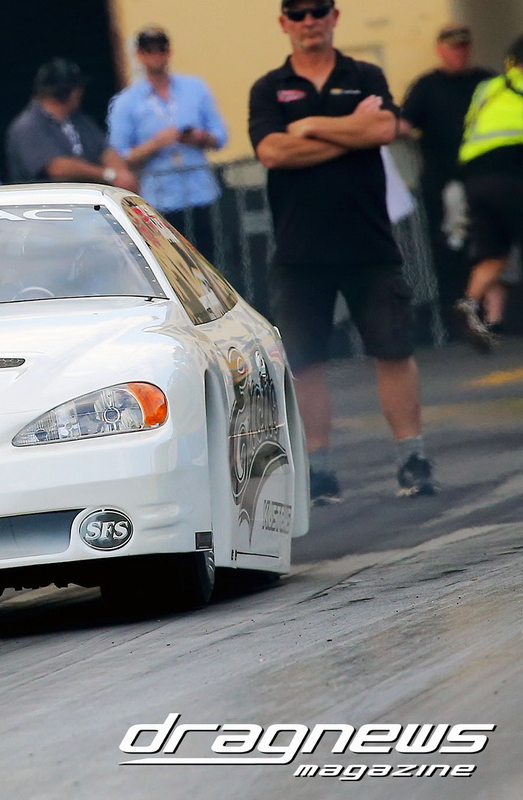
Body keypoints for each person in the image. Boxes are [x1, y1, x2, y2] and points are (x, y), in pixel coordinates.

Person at [249, 0, 437, 503]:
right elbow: (272, 151)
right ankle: (320, 470)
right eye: (298, 13)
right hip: (299, 249)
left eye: (318, 10)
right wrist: (349, 133)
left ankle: (413, 459)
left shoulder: (365, 75)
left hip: (369, 242)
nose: (309, 21)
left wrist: (308, 125)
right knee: (304, 361)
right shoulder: (268, 88)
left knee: (394, 350)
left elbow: (383, 129)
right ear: (284, 23)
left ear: (334, 17)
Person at [400, 25, 496, 338]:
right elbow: (404, 123)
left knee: (491, 246)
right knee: (450, 250)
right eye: (454, 47)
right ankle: (456, 318)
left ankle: (492, 316)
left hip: (485, 178)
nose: (459, 53)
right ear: (440, 50)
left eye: (464, 47)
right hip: (443, 181)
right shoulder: (427, 86)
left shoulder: (487, 81)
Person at [107, 26, 228, 263]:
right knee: (173, 265)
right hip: (160, 200)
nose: (156, 55)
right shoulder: (126, 102)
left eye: (160, 49)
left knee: (211, 263)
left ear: (169, 51)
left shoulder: (195, 88)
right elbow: (120, 156)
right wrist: (155, 144)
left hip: (201, 193)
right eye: (149, 50)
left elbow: (220, 136)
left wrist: (200, 137)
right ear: (139, 55)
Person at [452, 34, 523, 352]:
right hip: (512, 173)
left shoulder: (487, 88)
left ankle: (469, 304)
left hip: (476, 180)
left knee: (494, 254)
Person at [5, 58, 137, 190]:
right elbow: (56, 168)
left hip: (86, 198)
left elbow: (105, 151)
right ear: (70, 91)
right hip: (49, 200)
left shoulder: (79, 120)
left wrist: (122, 174)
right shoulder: (27, 126)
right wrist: (108, 175)